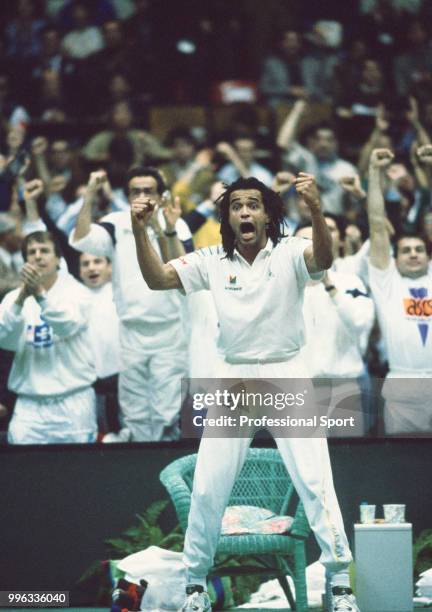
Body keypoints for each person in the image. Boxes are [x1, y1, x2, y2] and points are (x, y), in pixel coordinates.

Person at [131, 174, 360, 611]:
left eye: (253, 205)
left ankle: (340, 584)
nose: (245, 213)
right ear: (228, 216)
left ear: (269, 213)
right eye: (236, 206)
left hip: (286, 372)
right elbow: (159, 279)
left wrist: (315, 210)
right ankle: (195, 586)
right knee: (207, 487)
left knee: (316, 481)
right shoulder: (212, 259)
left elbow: (324, 259)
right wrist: (141, 230)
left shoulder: (291, 252)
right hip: (234, 377)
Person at [70, 167, 192, 441]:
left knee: (167, 411)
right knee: (134, 410)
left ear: (161, 196)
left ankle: (164, 464)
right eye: (135, 191)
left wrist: (162, 228)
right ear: (127, 196)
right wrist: (90, 192)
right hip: (129, 331)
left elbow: (183, 269)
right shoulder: (115, 223)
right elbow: (80, 239)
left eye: (148, 190)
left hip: (170, 330)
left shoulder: (176, 223)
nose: (141, 196)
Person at [0, 224, 97, 444]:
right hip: (29, 407)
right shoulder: (13, 298)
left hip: (73, 402)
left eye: (44, 251)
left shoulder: (78, 292)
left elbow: (66, 326)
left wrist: (41, 296)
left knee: (79, 473)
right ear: (25, 261)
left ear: (58, 259)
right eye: (31, 253)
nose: (38, 257)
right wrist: (21, 299)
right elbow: (3, 339)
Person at [367, 146, 432, 434]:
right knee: (404, 465)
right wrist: (374, 171)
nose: (414, 254)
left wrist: (429, 169)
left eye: (419, 249)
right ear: (395, 258)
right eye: (406, 250)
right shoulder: (387, 283)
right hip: (403, 388)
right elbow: (377, 225)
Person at [79, 252, 121, 437]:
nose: (91, 267)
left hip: (122, 378)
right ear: (80, 271)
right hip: (90, 381)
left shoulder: (120, 293)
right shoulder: (75, 298)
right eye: (85, 263)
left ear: (110, 267)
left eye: (97, 261)